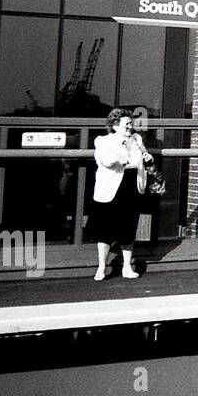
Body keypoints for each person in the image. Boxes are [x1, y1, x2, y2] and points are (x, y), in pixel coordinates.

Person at [88, 108, 153, 280]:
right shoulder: (103, 141)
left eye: (131, 124)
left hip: (132, 186)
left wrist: (147, 158)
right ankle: (102, 267)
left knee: (128, 229)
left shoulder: (137, 139)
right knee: (105, 230)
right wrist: (123, 151)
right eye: (126, 124)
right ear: (115, 126)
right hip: (111, 188)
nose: (130, 127)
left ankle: (127, 267)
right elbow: (106, 161)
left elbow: (143, 158)